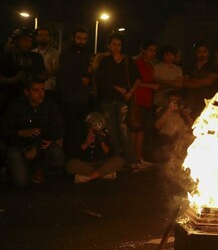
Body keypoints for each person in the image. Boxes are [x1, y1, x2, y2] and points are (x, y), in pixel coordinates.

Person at [0, 78, 64, 186]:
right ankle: (9, 168)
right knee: (21, 181)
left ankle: (38, 168)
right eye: (36, 90)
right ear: (27, 92)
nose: (41, 94)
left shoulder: (49, 105)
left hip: (40, 143)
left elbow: (59, 126)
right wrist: (21, 132)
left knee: (57, 154)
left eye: (42, 89)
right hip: (18, 144)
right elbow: (4, 128)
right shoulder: (16, 105)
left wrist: (51, 138)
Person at [94, 32, 140, 167]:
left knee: (124, 130)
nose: (116, 47)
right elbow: (100, 81)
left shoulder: (127, 60)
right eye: (114, 44)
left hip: (123, 100)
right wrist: (116, 87)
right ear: (109, 45)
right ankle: (116, 161)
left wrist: (130, 92)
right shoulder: (105, 61)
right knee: (112, 132)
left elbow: (137, 78)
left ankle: (131, 161)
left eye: (119, 45)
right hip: (108, 100)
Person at [56, 26, 93, 158]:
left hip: (82, 98)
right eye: (79, 38)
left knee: (81, 128)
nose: (81, 41)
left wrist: (87, 78)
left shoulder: (85, 53)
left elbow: (88, 71)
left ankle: (78, 155)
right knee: (71, 128)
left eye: (84, 39)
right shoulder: (66, 53)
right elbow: (65, 73)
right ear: (73, 38)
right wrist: (82, 77)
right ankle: (69, 157)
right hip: (68, 98)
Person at [64, 112, 125, 183]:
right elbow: (71, 155)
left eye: (100, 127)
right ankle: (102, 175)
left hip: (100, 164)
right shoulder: (79, 134)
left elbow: (111, 155)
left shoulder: (103, 135)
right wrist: (86, 143)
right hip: (85, 164)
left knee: (119, 160)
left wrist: (103, 143)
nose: (97, 129)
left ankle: (89, 177)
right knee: (70, 165)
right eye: (95, 127)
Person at [0, 28, 46, 112]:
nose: (27, 43)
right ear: (16, 41)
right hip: (10, 98)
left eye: (30, 40)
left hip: (30, 100)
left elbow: (44, 75)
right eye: (24, 40)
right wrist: (13, 80)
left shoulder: (36, 57)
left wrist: (34, 78)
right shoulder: (5, 57)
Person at [132, 40, 159, 167]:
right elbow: (135, 82)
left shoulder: (151, 65)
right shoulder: (138, 63)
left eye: (154, 51)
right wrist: (151, 86)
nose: (153, 53)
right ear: (144, 50)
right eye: (150, 50)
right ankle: (136, 158)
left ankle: (139, 157)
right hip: (139, 100)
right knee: (136, 130)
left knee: (141, 130)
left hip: (147, 101)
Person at [183, 41, 218, 116]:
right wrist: (200, 83)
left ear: (207, 53)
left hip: (207, 100)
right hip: (191, 100)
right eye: (199, 51)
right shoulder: (191, 66)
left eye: (204, 51)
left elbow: (209, 81)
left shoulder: (212, 66)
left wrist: (193, 80)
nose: (202, 54)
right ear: (196, 53)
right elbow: (185, 82)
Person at [31, 27, 59, 101]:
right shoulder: (32, 53)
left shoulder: (55, 53)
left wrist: (48, 73)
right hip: (34, 88)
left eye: (46, 35)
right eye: (40, 35)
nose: (43, 37)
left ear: (50, 37)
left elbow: (57, 70)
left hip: (49, 88)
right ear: (36, 37)